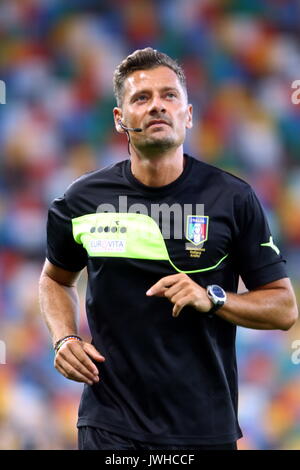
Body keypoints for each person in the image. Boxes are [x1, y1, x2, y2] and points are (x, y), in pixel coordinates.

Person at [39, 47, 298, 451]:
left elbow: (284, 309)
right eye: (142, 98)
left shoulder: (232, 198)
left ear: (188, 115)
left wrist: (211, 298)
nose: (157, 106)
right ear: (119, 119)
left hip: (205, 427)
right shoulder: (81, 200)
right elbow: (55, 279)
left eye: (169, 96)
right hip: (110, 425)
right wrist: (63, 338)